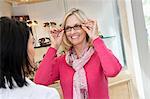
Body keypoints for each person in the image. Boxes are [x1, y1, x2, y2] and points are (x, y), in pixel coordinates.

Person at [34, 8, 122, 99]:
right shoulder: (62, 61)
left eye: (77, 26)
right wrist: (54, 46)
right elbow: (40, 81)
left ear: (85, 28)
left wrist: (95, 38)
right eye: (68, 28)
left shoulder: (99, 54)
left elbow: (113, 71)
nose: (72, 32)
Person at [0, 17, 60, 99]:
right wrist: (53, 48)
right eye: (32, 42)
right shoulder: (45, 95)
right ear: (20, 49)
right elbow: (40, 80)